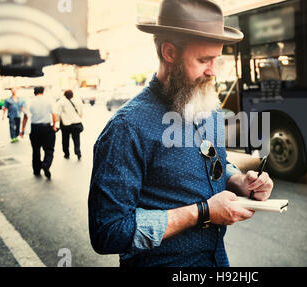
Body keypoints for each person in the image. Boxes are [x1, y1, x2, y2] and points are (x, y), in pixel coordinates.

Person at [88, 0, 274, 267]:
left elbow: (212, 162)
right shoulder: (126, 127)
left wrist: (241, 182)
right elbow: (108, 231)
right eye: (203, 60)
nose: (213, 71)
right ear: (169, 52)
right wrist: (203, 213)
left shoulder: (206, 104)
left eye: (216, 59)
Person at [20, 87, 57, 179]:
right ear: (43, 92)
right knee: (49, 149)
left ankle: (36, 170)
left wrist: (22, 130)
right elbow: (54, 114)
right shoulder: (49, 101)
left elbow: (25, 117)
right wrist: (54, 126)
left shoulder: (29, 102)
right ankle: (46, 164)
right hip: (46, 128)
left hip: (34, 128)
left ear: (34, 92)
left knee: (36, 150)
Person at [57, 90, 84, 160]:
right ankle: (78, 152)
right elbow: (81, 113)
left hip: (65, 124)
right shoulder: (78, 100)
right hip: (76, 123)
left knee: (65, 139)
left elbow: (58, 113)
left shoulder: (61, 101)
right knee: (76, 139)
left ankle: (66, 154)